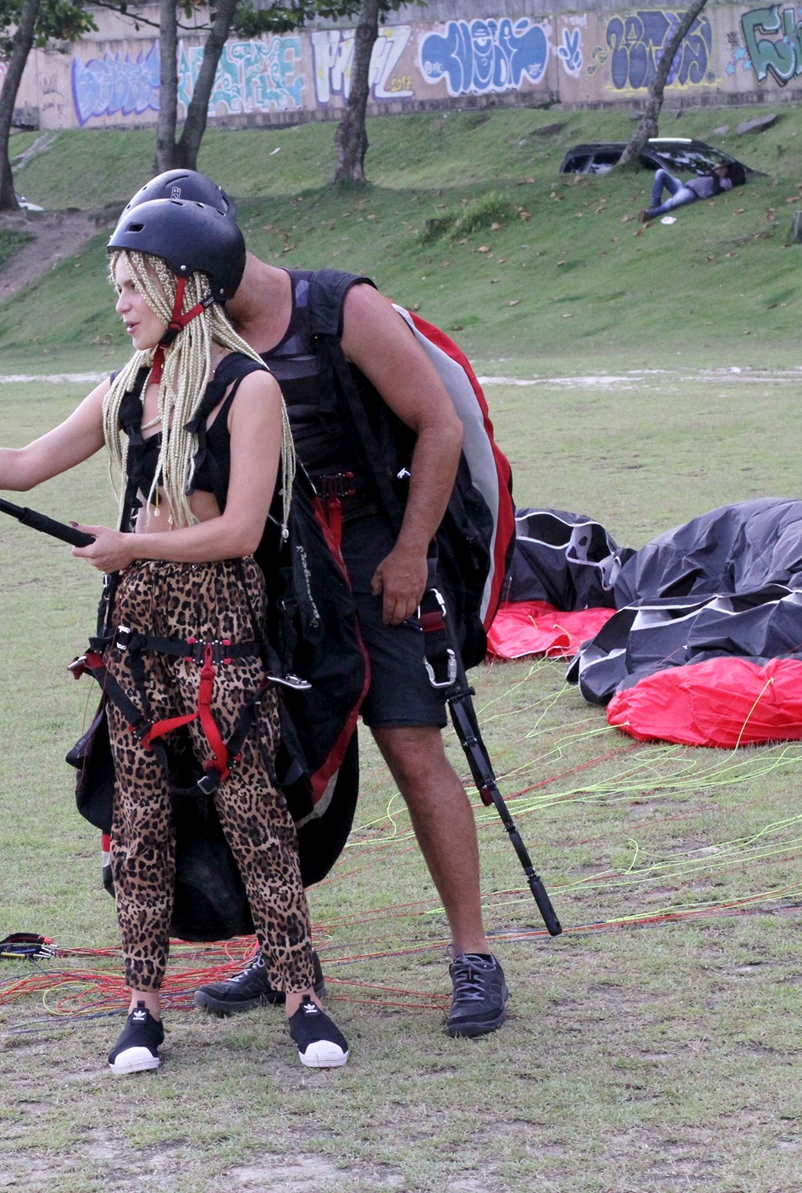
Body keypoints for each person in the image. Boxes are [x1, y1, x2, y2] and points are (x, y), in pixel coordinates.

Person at [0, 198, 349, 1074]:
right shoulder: (129, 385)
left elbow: (241, 532)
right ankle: (143, 1006)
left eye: (134, 286)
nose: (122, 304)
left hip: (221, 637)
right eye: (117, 288)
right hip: (133, 640)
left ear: (184, 286)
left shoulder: (252, 389)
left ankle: (302, 997)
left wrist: (133, 545)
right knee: (141, 824)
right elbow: (24, 464)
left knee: (253, 816)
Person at [127, 170, 513, 1038]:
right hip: (280, 561)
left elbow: (437, 426)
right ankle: (285, 949)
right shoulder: (202, 328)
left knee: (413, 749)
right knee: (265, 760)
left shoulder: (342, 307)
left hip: (379, 544)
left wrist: (412, 554)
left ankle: (473, 955)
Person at [640, 161, 740, 222]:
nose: (716, 170)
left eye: (718, 168)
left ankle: (651, 214)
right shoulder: (711, 175)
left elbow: (716, 191)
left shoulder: (725, 181)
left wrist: (716, 177)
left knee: (671, 202)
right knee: (660, 172)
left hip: (691, 193)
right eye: (715, 168)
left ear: (725, 170)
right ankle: (655, 204)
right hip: (683, 186)